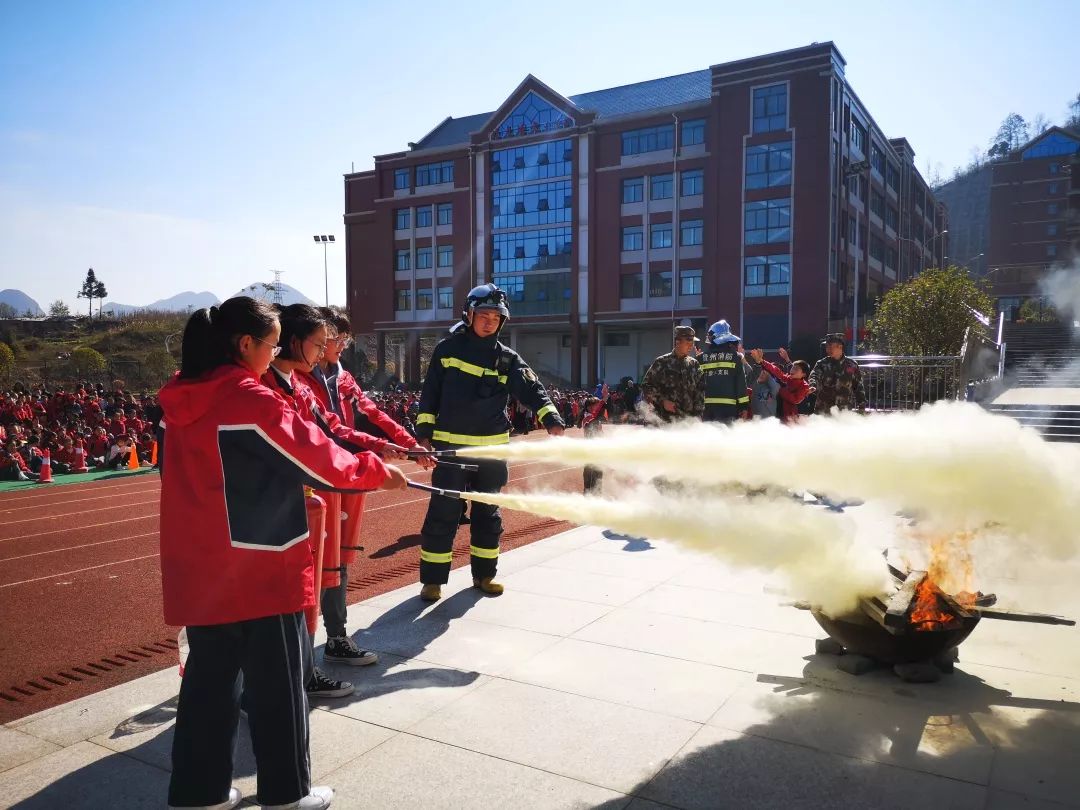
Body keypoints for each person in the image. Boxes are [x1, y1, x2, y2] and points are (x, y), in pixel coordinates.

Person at [159, 297, 407, 810]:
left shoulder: (182, 396)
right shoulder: (249, 397)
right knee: (280, 687)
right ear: (244, 344)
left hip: (201, 564)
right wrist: (376, 471)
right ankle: (287, 794)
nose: (275, 356)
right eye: (271, 345)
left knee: (209, 686)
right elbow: (317, 459)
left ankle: (198, 793)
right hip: (259, 563)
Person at [261, 304, 406, 701]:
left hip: (326, 483)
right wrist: (369, 468)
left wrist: (387, 447)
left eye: (335, 340)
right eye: (322, 342)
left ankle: (309, 663)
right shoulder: (262, 390)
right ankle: (294, 673)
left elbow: (334, 428)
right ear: (294, 341)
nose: (331, 347)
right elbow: (311, 446)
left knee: (325, 570)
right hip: (299, 493)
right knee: (299, 580)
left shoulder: (304, 386)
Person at [301, 309, 435, 669]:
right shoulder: (298, 380)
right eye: (334, 339)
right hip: (319, 475)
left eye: (345, 339)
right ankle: (300, 653)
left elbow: (374, 414)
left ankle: (337, 637)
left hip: (349, 473)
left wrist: (410, 443)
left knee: (341, 560)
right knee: (314, 562)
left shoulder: (344, 379)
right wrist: (379, 447)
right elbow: (329, 432)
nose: (341, 346)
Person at [414, 283, 565, 602]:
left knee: (489, 515)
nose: (489, 321)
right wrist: (424, 437)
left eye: (495, 317)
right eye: (483, 314)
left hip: (491, 451)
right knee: (443, 513)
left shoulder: (508, 360)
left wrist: (550, 417)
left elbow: (533, 389)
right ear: (468, 315)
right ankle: (433, 581)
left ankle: (484, 575)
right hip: (450, 450)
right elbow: (429, 397)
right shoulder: (447, 350)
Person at [641, 326, 704, 423]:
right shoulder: (662, 362)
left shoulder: (694, 365)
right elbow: (646, 386)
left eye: (692, 342)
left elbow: (700, 392)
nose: (691, 346)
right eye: (688, 342)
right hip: (663, 420)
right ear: (677, 342)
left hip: (687, 423)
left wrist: (697, 417)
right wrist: (662, 401)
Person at [698, 320, 750, 424]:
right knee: (727, 439)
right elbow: (741, 385)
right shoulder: (736, 357)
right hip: (729, 409)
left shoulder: (700, 358)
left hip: (706, 409)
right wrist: (744, 407)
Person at [749, 349, 812, 424]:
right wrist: (762, 361)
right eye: (792, 368)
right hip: (778, 414)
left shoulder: (804, 386)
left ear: (804, 374)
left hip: (792, 418)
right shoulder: (787, 379)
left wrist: (781, 390)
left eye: (796, 369)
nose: (792, 370)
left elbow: (795, 399)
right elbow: (776, 371)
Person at [808, 333, 866, 414]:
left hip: (844, 411)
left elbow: (858, 386)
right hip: (823, 410)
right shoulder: (821, 364)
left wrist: (861, 404)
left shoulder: (852, 364)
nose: (828, 349)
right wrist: (812, 385)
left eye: (831, 346)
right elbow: (814, 376)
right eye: (827, 346)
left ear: (840, 347)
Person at [581, 384, 610, 494]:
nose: (600, 408)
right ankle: (588, 495)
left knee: (598, 473)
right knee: (591, 473)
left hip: (598, 450)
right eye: (596, 405)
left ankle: (597, 494)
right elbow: (595, 414)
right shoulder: (587, 417)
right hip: (590, 451)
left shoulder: (595, 418)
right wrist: (604, 398)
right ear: (589, 407)